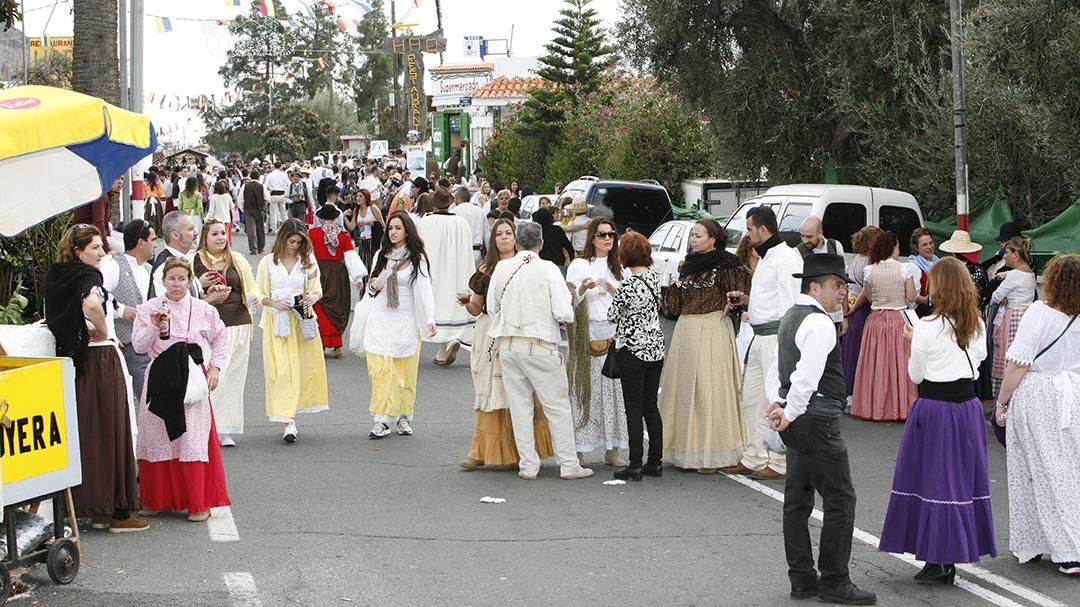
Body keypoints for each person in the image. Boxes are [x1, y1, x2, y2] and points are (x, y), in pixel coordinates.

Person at [765, 253, 876, 606]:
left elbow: (776, 370)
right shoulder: (818, 323)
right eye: (837, 285)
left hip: (798, 420)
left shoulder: (790, 317)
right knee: (841, 500)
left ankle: (802, 580)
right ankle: (835, 581)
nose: (843, 292)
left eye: (844, 285)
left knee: (797, 502)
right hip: (815, 421)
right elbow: (806, 378)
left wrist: (778, 406)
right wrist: (789, 410)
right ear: (815, 286)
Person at [878, 257, 995, 583]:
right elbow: (980, 359)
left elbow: (916, 373)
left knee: (932, 481)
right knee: (959, 482)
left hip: (935, 408)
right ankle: (948, 556)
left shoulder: (926, 326)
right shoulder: (978, 324)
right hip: (967, 408)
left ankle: (939, 559)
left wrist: (912, 340)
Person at [44, 225, 147, 532]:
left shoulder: (56, 275)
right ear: (79, 252)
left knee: (89, 433)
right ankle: (116, 511)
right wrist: (103, 331)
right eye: (95, 248)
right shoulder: (90, 277)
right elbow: (91, 304)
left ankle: (94, 506)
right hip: (100, 358)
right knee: (114, 431)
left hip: (73, 360)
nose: (103, 253)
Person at [486, 221, 594, 481]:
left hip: (509, 344)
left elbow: (492, 307)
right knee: (556, 406)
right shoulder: (548, 269)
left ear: (517, 242)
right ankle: (568, 464)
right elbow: (563, 311)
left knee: (520, 407)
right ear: (541, 244)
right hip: (540, 344)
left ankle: (528, 465)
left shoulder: (502, 267)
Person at [994, 254, 1080, 575]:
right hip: (1074, 395)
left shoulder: (1039, 313)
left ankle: (1052, 546)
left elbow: (1018, 363)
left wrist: (1002, 403)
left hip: (1040, 395)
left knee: (1032, 470)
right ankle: (1059, 542)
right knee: (1070, 471)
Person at [132, 259, 230, 522]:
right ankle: (154, 499)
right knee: (156, 436)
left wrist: (215, 368)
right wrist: (154, 324)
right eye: (171, 278)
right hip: (160, 376)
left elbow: (220, 337)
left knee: (192, 438)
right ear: (163, 281)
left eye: (181, 279)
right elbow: (139, 346)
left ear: (190, 281)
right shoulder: (148, 308)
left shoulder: (203, 309)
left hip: (191, 377)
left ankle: (197, 502)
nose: (176, 284)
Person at [458, 219, 556, 470]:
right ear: (493, 240)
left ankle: (522, 450)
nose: (503, 238)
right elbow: (477, 309)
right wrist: (466, 302)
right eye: (498, 234)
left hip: (517, 331)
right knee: (490, 389)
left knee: (522, 390)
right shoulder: (486, 269)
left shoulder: (527, 266)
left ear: (517, 238)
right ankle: (481, 449)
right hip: (489, 332)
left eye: (508, 233)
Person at [661, 219, 751, 472]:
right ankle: (686, 450)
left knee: (710, 390)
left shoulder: (727, 264)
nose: (693, 239)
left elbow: (743, 292)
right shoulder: (688, 265)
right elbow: (675, 307)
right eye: (692, 235)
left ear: (713, 238)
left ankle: (712, 452)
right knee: (685, 389)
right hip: (686, 331)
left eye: (698, 235)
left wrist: (732, 305)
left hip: (712, 327)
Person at [723, 206, 802, 480]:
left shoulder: (787, 259)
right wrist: (747, 301)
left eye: (749, 229)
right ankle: (753, 456)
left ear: (763, 230)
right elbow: (769, 298)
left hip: (776, 338)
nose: (747, 234)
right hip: (759, 336)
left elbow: (790, 306)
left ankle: (778, 462)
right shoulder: (768, 257)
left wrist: (786, 346)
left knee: (772, 400)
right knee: (752, 400)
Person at [364, 211, 436, 438]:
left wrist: (430, 318)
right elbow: (370, 290)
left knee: (404, 372)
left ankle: (404, 416)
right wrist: (373, 286)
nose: (393, 232)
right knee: (382, 370)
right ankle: (382, 419)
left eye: (398, 228)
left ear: (407, 231)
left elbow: (425, 289)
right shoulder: (380, 255)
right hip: (380, 318)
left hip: (406, 319)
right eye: (390, 228)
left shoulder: (417, 258)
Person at [256, 219, 329, 443]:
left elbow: (317, 289)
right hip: (277, 321)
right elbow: (257, 293)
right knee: (281, 370)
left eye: (298, 242)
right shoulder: (268, 262)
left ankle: (293, 415)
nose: (294, 246)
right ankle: (287, 419)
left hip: (302, 318)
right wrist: (272, 302)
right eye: (291, 241)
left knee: (303, 368)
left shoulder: (308, 261)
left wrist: (312, 297)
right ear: (282, 239)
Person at [566, 218, 630, 466]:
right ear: (592, 237)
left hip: (614, 333)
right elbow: (570, 299)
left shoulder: (620, 266)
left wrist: (613, 290)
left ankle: (612, 449)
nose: (607, 239)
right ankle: (578, 449)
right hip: (588, 332)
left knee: (614, 394)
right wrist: (582, 288)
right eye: (602, 234)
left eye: (611, 234)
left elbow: (628, 301)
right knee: (585, 392)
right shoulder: (580, 265)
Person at [193, 219, 260, 447]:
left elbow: (252, 286)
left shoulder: (237, 259)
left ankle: (225, 429)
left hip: (236, 322)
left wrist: (254, 297)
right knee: (208, 375)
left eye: (223, 233)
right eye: (215, 234)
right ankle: (203, 424)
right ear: (205, 237)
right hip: (205, 326)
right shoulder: (193, 259)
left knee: (231, 376)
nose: (220, 237)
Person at [607, 231, 665, 481]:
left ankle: (635, 464)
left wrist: (612, 291)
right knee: (650, 405)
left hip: (632, 350)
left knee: (633, 407)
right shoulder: (654, 277)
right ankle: (655, 461)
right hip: (656, 348)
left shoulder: (628, 285)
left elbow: (612, 315)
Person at [849, 231, 918, 421]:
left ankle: (874, 407)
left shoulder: (870, 270)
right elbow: (911, 297)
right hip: (898, 318)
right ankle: (901, 406)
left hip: (876, 320)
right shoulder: (906, 269)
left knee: (876, 363)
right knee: (900, 363)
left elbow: (869, 297)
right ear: (893, 247)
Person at [417, 186, 476, 366]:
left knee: (437, 305)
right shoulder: (461, 223)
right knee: (452, 304)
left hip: (435, 271)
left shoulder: (426, 222)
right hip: (457, 270)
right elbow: (467, 251)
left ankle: (444, 346)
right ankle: (450, 342)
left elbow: (420, 249)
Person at [100, 219, 156, 403]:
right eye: (153, 240)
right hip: (125, 342)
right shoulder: (114, 266)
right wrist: (121, 311)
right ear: (141, 242)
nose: (155, 244)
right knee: (142, 399)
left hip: (147, 342)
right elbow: (98, 296)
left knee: (149, 398)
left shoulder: (148, 269)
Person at [939, 230, 995, 400]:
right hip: (974, 315)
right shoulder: (978, 270)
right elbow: (986, 295)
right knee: (975, 354)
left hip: (949, 317)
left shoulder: (945, 271)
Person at [309, 204, 368, 358]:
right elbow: (350, 256)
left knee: (320, 305)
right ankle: (336, 344)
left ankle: (321, 342)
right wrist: (357, 278)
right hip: (338, 273)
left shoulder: (313, 233)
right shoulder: (343, 235)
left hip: (319, 271)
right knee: (338, 305)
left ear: (320, 218)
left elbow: (308, 255)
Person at [989, 237, 1037, 397]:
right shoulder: (1029, 272)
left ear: (1015, 254)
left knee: (1004, 356)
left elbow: (995, 296)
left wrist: (1004, 288)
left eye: (1007, 253)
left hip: (1011, 318)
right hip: (1025, 317)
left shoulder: (1015, 275)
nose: (1004, 256)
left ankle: (1002, 398)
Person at [841, 226, 882, 397]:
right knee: (861, 353)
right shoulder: (869, 262)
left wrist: (849, 309)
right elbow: (866, 292)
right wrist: (855, 308)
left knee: (851, 352)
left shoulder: (856, 259)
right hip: (862, 309)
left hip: (853, 306)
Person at [150, 211, 197, 298]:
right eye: (190, 229)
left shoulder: (183, 259)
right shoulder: (165, 267)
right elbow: (175, 306)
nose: (196, 233)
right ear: (175, 235)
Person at [343, 188, 385, 272]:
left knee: (372, 266)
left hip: (372, 241)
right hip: (362, 241)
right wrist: (344, 216)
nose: (358, 198)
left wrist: (370, 223)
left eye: (360, 196)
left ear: (366, 198)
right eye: (357, 196)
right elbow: (351, 227)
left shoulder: (373, 208)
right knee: (363, 267)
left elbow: (383, 225)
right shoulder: (356, 210)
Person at [450, 186, 488, 261]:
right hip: (476, 253)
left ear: (459, 198)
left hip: (459, 253)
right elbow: (487, 235)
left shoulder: (454, 212)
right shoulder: (480, 212)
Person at [907, 228, 937, 317]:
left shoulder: (937, 262)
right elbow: (912, 297)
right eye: (925, 244)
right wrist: (928, 300)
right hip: (923, 311)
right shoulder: (914, 266)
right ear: (916, 247)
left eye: (931, 243)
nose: (929, 247)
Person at [243, 168, 268, 254]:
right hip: (259, 209)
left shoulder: (245, 186)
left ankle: (253, 248)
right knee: (260, 229)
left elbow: (240, 199)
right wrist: (264, 206)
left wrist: (242, 208)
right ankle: (260, 247)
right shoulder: (262, 186)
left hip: (248, 209)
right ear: (258, 177)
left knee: (251, 230)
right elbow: (267, 198)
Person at [264, 162, 290, 233]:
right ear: (281, 167)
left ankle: (273, 228)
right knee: (283, 212)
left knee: (273, 213)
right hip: (282, 194)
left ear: (274, 167)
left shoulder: (270, 175)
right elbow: (289, 184)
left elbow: (265, 186)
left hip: (273, 194)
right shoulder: (284, 175)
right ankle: (287, 227)